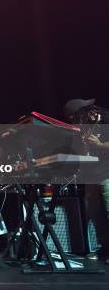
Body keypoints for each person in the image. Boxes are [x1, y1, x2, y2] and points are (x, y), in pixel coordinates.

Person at [64, 98, 109, 264]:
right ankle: (105, 248)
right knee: (96, 214)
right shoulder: (84, 128)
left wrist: (100, 144)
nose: (75, 122)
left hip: (107, 173)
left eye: (74, 118)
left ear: (83, 112)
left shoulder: (105, 119)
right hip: (91, 174)